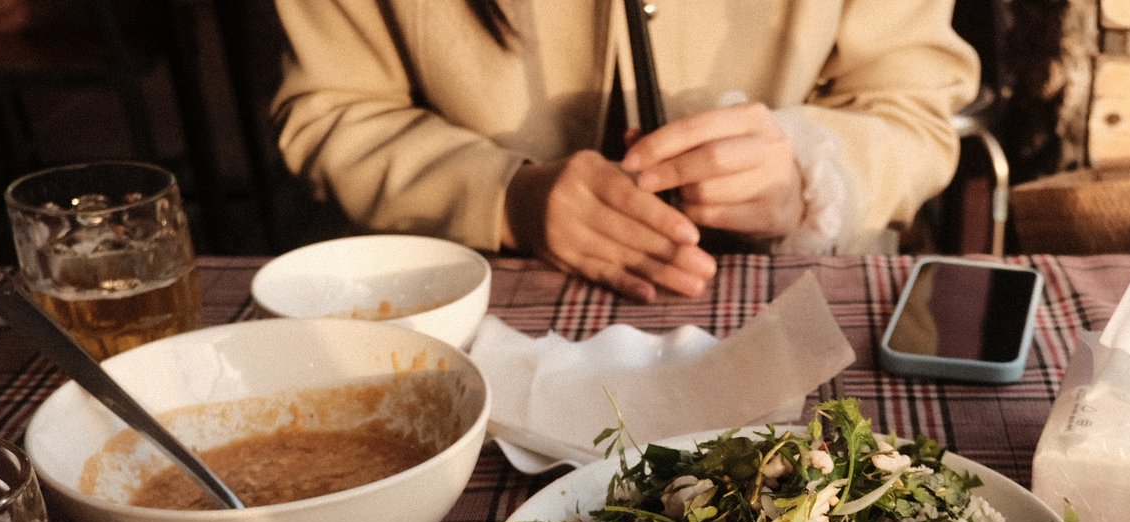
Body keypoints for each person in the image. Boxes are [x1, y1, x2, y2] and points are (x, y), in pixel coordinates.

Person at [270, 0, 979, 302]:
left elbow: (912, 109)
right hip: (475, 301)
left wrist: (807, 173)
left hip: (788, 301)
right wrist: (506, 197)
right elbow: (330, 108)